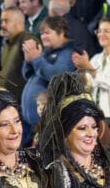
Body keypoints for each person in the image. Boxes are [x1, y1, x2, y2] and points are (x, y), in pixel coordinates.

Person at [20, 16, 76, 145]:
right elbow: (28, 76)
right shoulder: (46, 53)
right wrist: (28, 60)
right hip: (31, 125)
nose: (43, 36)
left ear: (61, 33)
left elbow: (56, 75)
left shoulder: (68, 54)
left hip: (48, 126)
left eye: (47, 32)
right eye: (42, 33)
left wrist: (36, 59)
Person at [72, 17, 110, 120]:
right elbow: (88, 87)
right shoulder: (96, 59)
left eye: (105, 31)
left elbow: (109, 83)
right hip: (96, 117)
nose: (101, 35)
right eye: (99, 31)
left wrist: (89, 67)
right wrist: (82, 70)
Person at [0, 7, 31, 96]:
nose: (2, 25)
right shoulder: (7, 43)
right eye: (1, 21)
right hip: (8, 100)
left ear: (19, 23)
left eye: (6, 21)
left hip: (20, 102)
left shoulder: (28, 40)